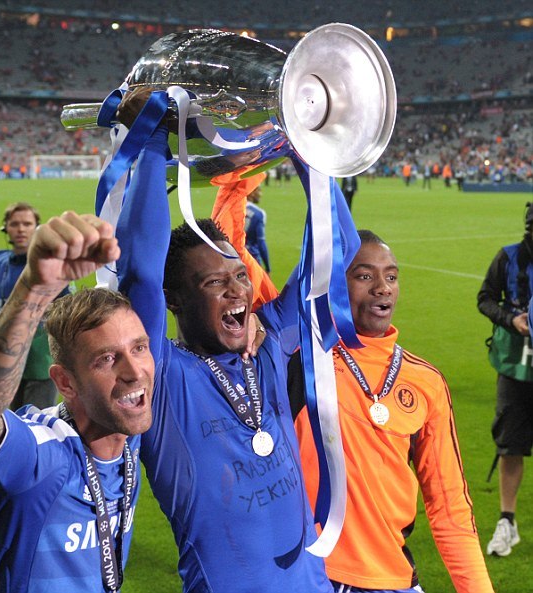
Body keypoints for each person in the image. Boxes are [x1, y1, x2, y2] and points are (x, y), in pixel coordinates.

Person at [215, 185, 495, 592]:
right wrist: (239, 175)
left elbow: (450, 507)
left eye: (392, 276)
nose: (383, 287)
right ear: (335, 285)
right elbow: (229, 252)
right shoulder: (297, 348)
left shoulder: (426, 381)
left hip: (395, 578)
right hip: (311, 577)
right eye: (365, 275)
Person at [114, 91, 333, 593]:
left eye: (240, 275)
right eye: (215, 283)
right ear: (174, 300)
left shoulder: (270, 345)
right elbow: (142, 274)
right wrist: (149, 142)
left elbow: (330, 260)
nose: (238, 290)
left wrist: (313, 157)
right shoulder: (160, 376)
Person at [0, 211, 154, 592]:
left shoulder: (127, 436)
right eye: (106, 359)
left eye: (139, 348)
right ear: (65, 383)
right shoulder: (45, 459)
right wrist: (35, 290)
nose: (135, 371)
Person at [0, 202, 72, 410]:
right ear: (5, 228)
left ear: (37, 228)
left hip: (40, 362)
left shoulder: (51, 265)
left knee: (34, 422)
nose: (21, 229)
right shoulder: (1, 263)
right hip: (4, 359)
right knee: (9, 422)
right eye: (15, 224)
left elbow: (68, 309)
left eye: (27, 224)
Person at [477, 201, 533, 557]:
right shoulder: (509, 257)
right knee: (510, 444)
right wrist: (510, 320)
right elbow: (485, 299)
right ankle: (507, 522)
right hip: (515, 366)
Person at [244, 180, 271, 273]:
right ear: (251, 192)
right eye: (258, 190)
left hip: (234, 260)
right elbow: (261, 243)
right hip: (252, 260)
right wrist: (268, 267)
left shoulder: (232, 208)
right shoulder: (258, 213)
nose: (260, 194)